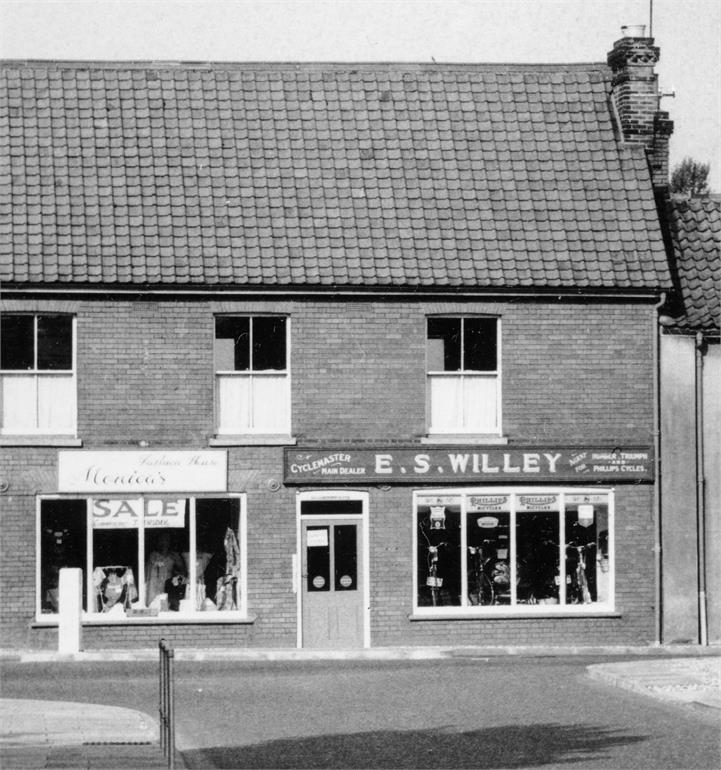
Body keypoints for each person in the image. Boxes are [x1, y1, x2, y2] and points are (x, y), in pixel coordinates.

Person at [145, 531, 185, 608]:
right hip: (155, 586)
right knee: (155, 605)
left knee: (167, 606)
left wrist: (177, 576)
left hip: (169, 586)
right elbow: (148, 573)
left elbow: (182, 570)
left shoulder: (174, 556)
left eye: (167, 540)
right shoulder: (154, 555)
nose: (164, 542)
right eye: (162, 540)